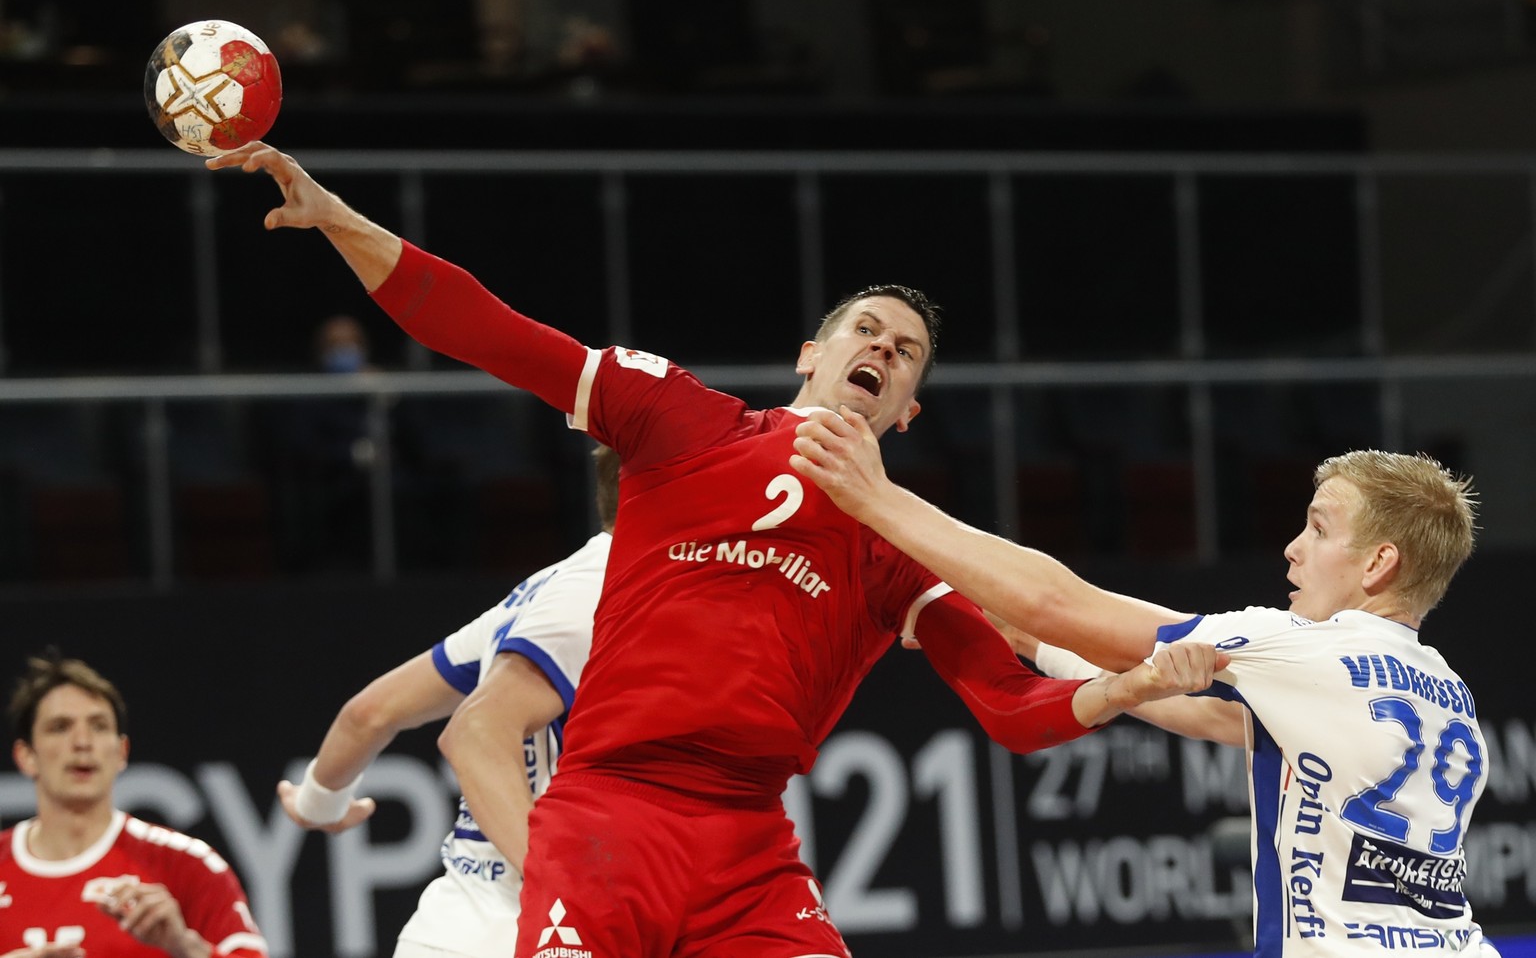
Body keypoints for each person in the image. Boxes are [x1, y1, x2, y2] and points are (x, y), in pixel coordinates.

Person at [208, 140, 1225, 958]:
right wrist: (339, 218)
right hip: (610, 815)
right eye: (865, 330)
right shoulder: (681, 419)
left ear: (910, 410)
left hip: (746, 844)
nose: (881, 348)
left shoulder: (902, 547)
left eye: (904, 352)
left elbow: (1009, 707)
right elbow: (492, 330)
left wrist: (1126, 692)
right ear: (810, 356)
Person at [790, 414, 1498, 958]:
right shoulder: (1447, 691)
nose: (1293, 547)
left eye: (1317, 528)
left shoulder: (1306, 649)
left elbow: (1062, 604)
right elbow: (1213, 721)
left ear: (1378, 564)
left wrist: (877, 499)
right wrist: (1039, 647)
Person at [276, 445, 619, 958]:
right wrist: (563, 891)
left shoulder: (538, 592)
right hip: (555, 919)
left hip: (452, 925)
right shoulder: (608, 589)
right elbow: (470, 733)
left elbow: (370, 712)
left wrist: (318, 802)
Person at [1, 652, 268, 958]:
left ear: (121, 752)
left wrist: (184, 947)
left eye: (99, 726)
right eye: (60, 727)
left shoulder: (186, 865)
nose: (82, 742)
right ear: (26, 756)